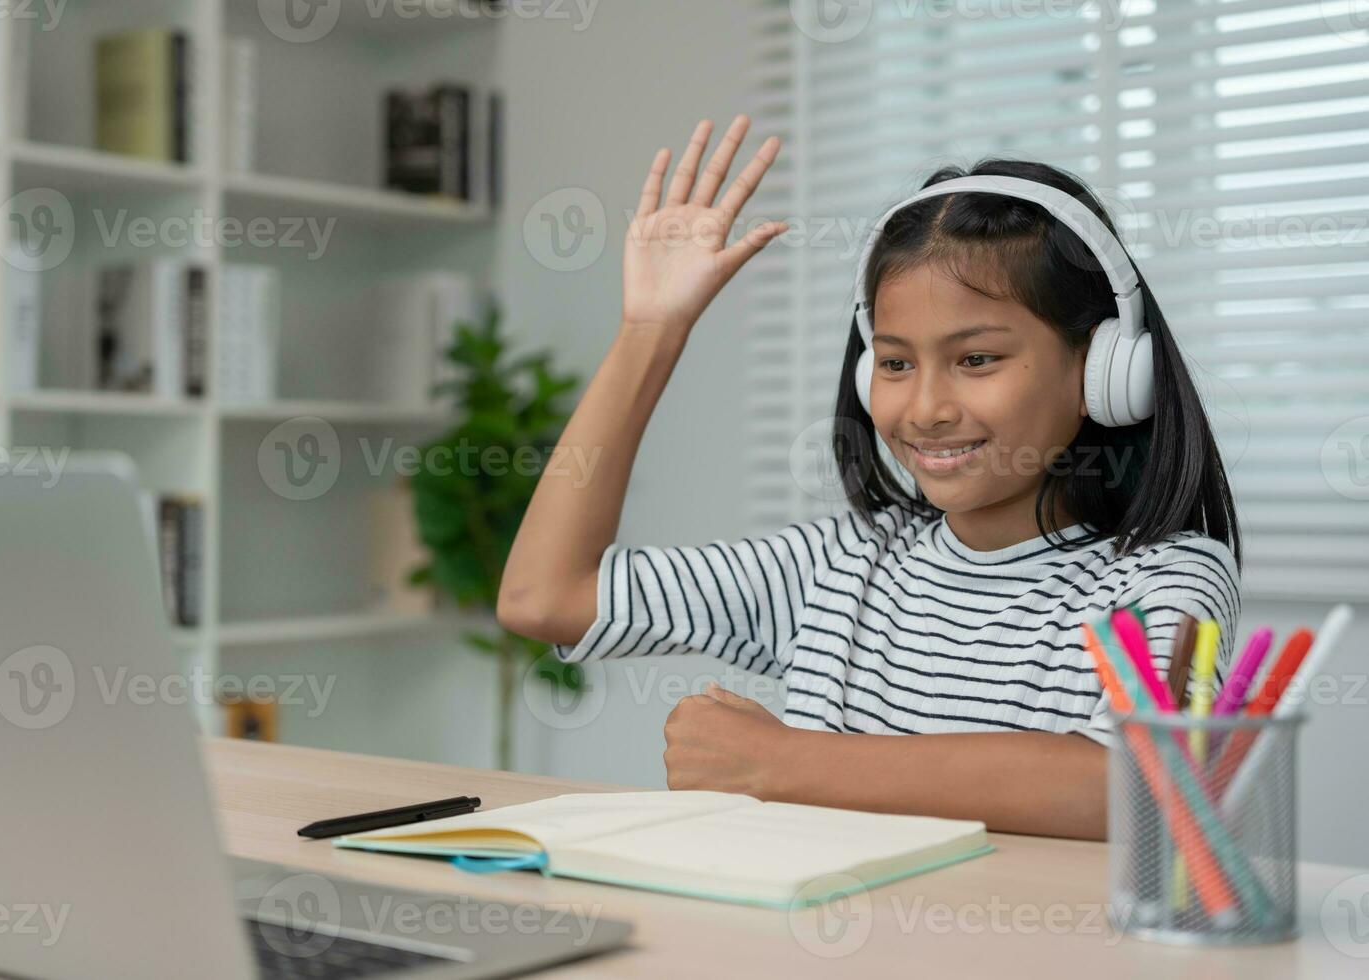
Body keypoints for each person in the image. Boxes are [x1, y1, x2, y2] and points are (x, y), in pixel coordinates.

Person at [497, 115, 1241, 840]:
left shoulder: (1164, 579)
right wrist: (649, 334)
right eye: (894, 362)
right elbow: (546, 597)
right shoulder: (840, 565)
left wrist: (781, 762)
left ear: (1107, 370)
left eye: (977, 359)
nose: (925, 408)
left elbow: (1127, 785)